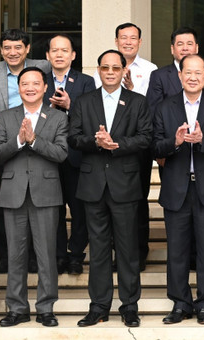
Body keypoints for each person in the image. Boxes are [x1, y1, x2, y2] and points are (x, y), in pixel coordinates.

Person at [69, 49, 152, 328]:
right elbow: (73, 137)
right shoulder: (83, 101)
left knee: (128, 250)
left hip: (125, 184)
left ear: (123, 71)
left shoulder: (138, 102)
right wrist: (96, 142)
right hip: (93, 185)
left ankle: (129, 306)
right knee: (99, 249)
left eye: (116, 68)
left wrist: (115, 144)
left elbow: (145, 138)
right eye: (105, 67)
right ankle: (99, 306)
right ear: (98, 70)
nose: (110, 72)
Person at [152, 54, 204, 325]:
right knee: (176, 250)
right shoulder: (165, 107)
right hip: (177, 188)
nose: (193, 77)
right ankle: (180, 303)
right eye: (188, 72)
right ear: (180, 75)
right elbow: (154, 146)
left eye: (198, 72)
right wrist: (174, 143)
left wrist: (202, 140)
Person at [0, 67, 68, 328]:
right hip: (13, 194)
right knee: (15, 254)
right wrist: (18, 140)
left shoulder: (57, 118)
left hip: (45, 194)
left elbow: (61, 153)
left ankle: (46, 308)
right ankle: (17, 308)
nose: (30, 87)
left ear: (45, 87)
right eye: (25, 83)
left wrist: (34, 140)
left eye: (36, 83)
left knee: (46, 254)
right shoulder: (5, 117)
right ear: (19, 88)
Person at [0, 28, 51, 272]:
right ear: (1, 50)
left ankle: (38, 257)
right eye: (7, 48)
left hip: (40, 140)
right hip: (7, 143)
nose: (12, 52)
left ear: (27, 49)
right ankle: (6, 256)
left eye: (17, 47)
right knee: (7, 202)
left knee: (39, 203)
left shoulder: (43, 67)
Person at [92, 22, 157, 271]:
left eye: (133, 38)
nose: (128, 41)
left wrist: (129, 92)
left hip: (136, 146)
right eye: (123, 38)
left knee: (137, 200)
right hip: (104, 149)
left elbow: (149, 108)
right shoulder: (106, 69)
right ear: (117, 40)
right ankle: (111, 250)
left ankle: (138, 251)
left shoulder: (152, 70)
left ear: (140, 42)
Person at [44, 34, 96, 275]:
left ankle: (76, 255)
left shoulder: (85, 82)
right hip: (48, 156)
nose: (59, 54)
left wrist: (69, 106)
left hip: (76, 156)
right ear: (47, 55)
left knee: (79, 210)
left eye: (64, 50)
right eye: (54, 50)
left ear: (73, 55)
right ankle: (58, 256)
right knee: (53, 209)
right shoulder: (38, 81)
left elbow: (91, 116)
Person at [146, 26, 199, 107]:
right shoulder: (159, 76)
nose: (185, 48)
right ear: (172, 49)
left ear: (196, 48)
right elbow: (154, 110)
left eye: (189, 44)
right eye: (180, 44)